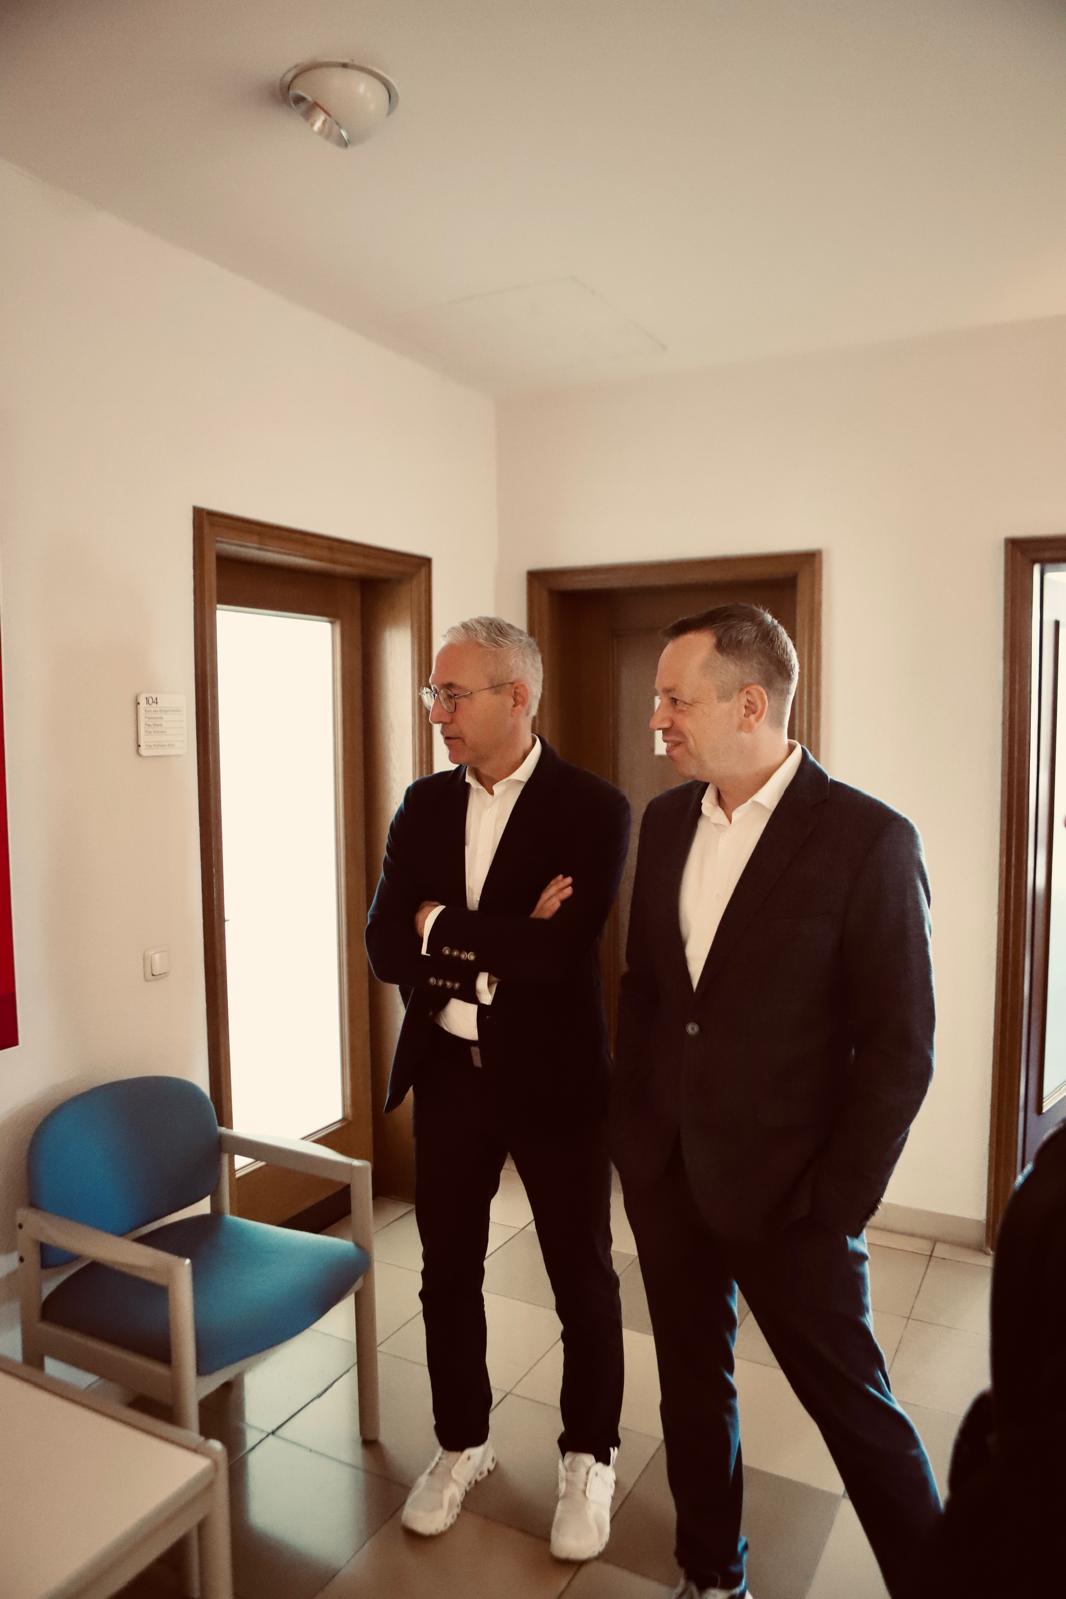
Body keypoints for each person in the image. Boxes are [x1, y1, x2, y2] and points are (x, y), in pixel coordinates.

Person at [611, 603, 940, 1599]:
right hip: (670, 1173)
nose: (656, 719)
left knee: (857, 1415)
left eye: (675, 699)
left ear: (749, 704)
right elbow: (648, 991)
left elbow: (901, 1049)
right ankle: (712, 1573)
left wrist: (836, 1204)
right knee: (690, 1386)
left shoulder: (869, 840)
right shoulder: (667, 821)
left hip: (796, 1201)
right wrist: (635, 1130)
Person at [365, 615, 630, 1560]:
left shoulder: (593, 808)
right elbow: (384, 943)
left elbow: (561, 955)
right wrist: (502, 937)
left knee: (580, 1276)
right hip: (449, 1075)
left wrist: (442, 925)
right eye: (433, 694)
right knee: (446, 1271)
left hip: (557, 1082)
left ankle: (589, 1453)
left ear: (516, 696)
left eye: (452, 694)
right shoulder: (422, 804)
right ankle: (462, 1440)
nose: (436, 712)